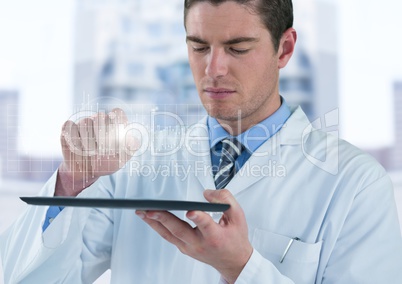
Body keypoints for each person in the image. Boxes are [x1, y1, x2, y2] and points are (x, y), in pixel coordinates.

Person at [1, 0, 402, 283]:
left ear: (285, 48)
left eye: (237, 48)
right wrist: (72, 185)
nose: (213, 69)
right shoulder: (135, 166)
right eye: (198, 47)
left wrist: (242, 268)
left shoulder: (354, 183)